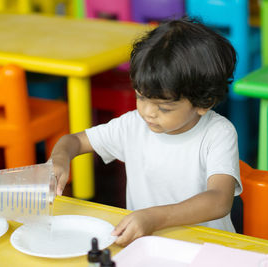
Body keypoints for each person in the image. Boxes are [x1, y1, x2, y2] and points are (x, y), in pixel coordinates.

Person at [49, 17, 242, 247]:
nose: (148, 112)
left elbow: (219, 201)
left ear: (204, 102)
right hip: (148, 246)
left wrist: (155, 217)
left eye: (163, 107)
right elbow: (74, 141)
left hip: (205, 249)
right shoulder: (132, 126)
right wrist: (59, 159)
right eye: (141, 97)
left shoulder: (218, 133)